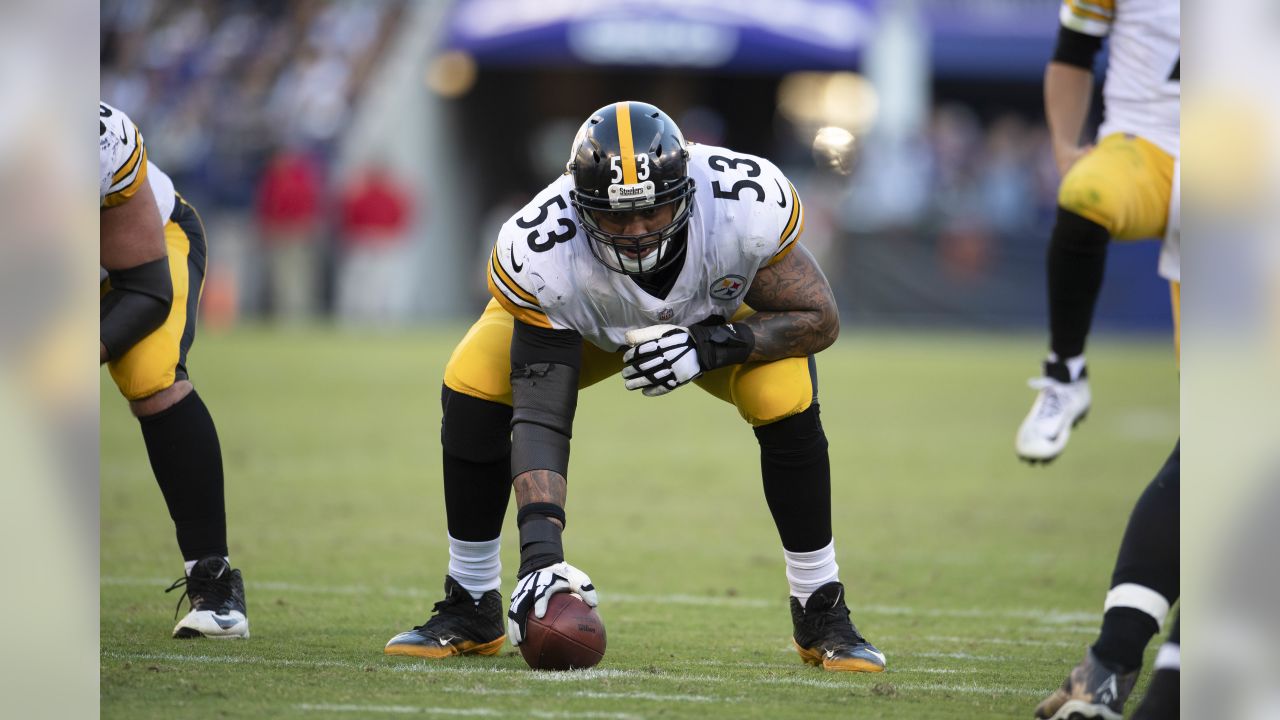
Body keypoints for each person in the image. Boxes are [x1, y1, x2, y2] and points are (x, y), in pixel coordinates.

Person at [384, 101, 885, 673]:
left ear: (689, 191)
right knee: (473, 378)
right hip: (585, 327)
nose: (638, 232)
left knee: (782, 393)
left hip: (715, 319)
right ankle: (471, 601)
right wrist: (541, 560)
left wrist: (710, 346)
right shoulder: (543, 247)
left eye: (653, 211)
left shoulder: (741, 204)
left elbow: (818, 318)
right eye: (616, 217)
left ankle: (820, 607)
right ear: (579, 203)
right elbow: (542, 412)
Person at [100, 101, 248, 639]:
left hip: (149, 247)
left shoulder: (99, 139)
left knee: (150, 375)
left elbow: (146, 290)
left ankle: (213, 581)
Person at [1015, 0, 1180, 463]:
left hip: (1239, 155)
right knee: (1085, 192)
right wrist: (1066, 149)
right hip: (1144, 144)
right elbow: (1075, 48)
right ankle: (1065, 373)